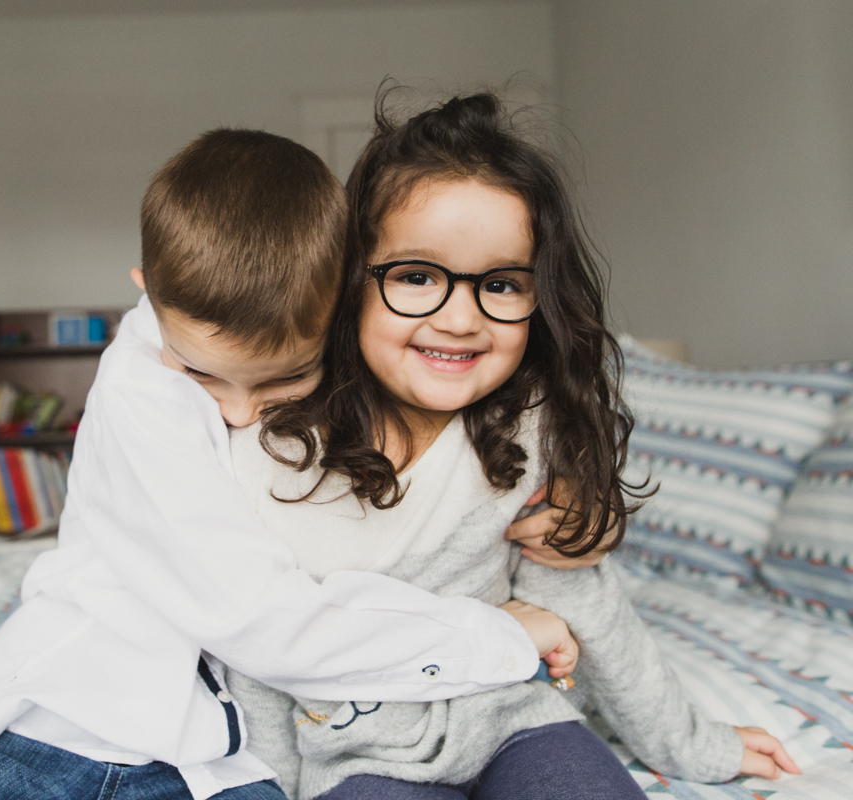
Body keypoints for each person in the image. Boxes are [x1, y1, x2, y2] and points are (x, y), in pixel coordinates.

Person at [0, 129, 581, 800]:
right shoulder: (142, 391)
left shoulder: (343, 355)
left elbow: (449, 439)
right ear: (148, 293)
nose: (236, 413)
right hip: (59, 726)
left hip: (225, 768)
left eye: (281, 383)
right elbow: (261, 622)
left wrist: (577, 495)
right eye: (202, 375)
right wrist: (496, 636)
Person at [224, 91, 802, 800]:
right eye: (415, 276)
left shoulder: (528, 429)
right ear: (348, 282)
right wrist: (266, 786)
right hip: (356, 753)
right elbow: (247, 641)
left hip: (517, 718)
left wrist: (689, 743)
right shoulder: (277, 449)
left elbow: (581, 594)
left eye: (500, 284)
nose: (460, 318)